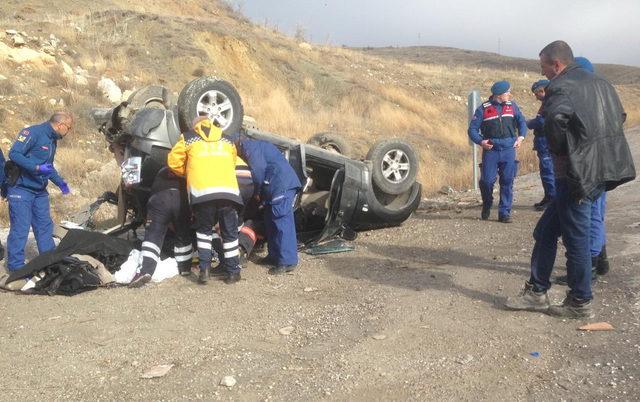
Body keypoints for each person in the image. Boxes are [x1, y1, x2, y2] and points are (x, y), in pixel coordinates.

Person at [505, 41, 635, 319]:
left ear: (556, 64)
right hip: (601, 169)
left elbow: (554, 121)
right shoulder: (601, 82)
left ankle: (580, 301)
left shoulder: (561, 86)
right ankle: (537, 292)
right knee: (545, 232)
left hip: (576, 175)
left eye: (543, 67)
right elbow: (619, 117)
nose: (544, 73)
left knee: (576, 238)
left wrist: (566, 150)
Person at [168, 117, 243, 284]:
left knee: (204, 233)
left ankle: (204, 271)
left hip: (202, 193)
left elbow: (173, 162)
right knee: (230, 233)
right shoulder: (228, 140)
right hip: (228, 192)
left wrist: (187, 173)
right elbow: (232, 162)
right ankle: (232, 273)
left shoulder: (188, 138)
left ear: (196, 126)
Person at [555, 56, 610, 285]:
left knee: (591, 216)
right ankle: (600, 260)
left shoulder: (586, 98)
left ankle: (591, 265)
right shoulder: (602, 95)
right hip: (603, 165)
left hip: (590, 167)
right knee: (597, 213)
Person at [6, 112, 73, 271]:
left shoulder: (52, 140)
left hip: (39, 191)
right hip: (21, 189)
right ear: (60, 125)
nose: (68, 132)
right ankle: (16, 269)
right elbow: (14, 154)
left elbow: (48, 167)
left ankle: (49, 263)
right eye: (68, 128)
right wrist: (35, 167)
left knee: (44, 227)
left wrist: (61, 184)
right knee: (20, 229)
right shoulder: (32, 133)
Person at [233, 134, 302, 275]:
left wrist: (256, 192)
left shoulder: (250, 148)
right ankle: (274, 256)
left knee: (281, 222)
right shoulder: (256, 145)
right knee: (270, 221)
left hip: (281, 186)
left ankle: (287, 261)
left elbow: (258, 171)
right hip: (275, 186)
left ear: (237, 144)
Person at [468, 80, 528, 223]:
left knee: (507, 181)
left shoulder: (512, 106)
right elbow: (472, 130)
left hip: (509, 149)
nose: (509, 94)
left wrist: (521, 137)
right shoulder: (483, 109)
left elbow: (522, 123)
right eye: (507, 92)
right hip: (491, 150)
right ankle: (487, 203)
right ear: (499, 95)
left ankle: (504, 213)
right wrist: (481, 141)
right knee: (486, 181)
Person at [129, 167, 194, 287]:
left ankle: (146, 271)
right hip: (181, 198)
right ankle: (185, 268)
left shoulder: (161, 171)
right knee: (183, 234)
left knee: (153, 236)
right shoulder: (187, 170)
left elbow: (142, 193)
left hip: (159, 199)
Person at [527, 79, 555, 211]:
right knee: (545, 171)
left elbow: (542, 122)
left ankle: (552, 199)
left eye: (536, 93)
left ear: (542, 91)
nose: (535, 97)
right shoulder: (546, 103)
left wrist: (527, 123)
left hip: (546, 141)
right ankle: (548, 197)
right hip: (543, 141)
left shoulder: (550, 103)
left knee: (548, 171)